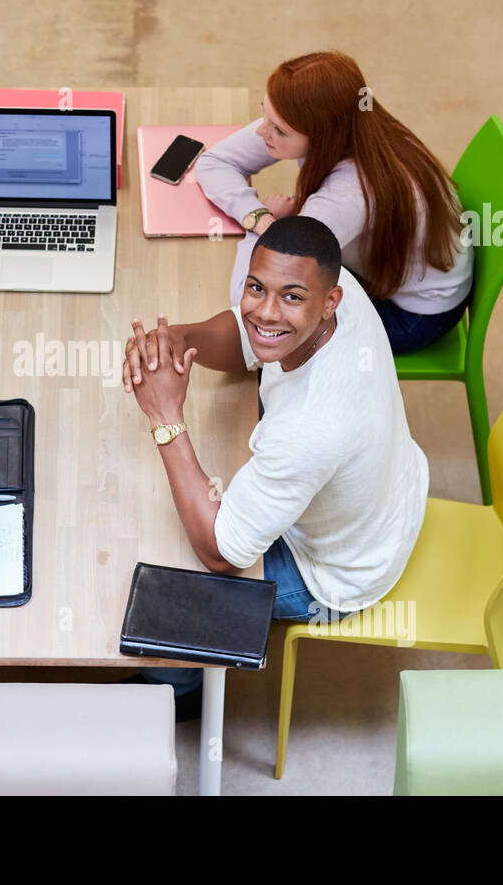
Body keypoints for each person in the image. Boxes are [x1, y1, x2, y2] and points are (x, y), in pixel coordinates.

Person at [120, 216, 428, 716]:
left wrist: (164, 415)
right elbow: (250, 337)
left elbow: (223, 553)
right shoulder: (331, 281)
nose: (265, 311)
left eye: (290, 297)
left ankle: (173, 691)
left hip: (334, 574)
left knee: (167, 586)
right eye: (255, 287)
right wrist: (180, 341)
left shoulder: (312, 426)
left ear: (330, 301)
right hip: (385, 495)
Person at [195, 51, 473, 355]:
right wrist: (261, 218)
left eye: (279, 130)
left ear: (322, 135)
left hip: (413, 315)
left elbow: (252, 306)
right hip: (394, 268)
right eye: (265, 114)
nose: (262, 131)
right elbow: (214, 163)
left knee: (271, 341)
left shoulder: (345, 199)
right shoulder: (352, 124)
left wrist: (262, 228)